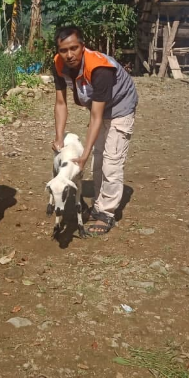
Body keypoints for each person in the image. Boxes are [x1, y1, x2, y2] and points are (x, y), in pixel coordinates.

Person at [51, 26, 139, 235]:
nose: (69, 55)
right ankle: (99, 205)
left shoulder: (99, 69)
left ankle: (106, 213)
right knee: (98, 160)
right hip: (98, 105)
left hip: (120, 106)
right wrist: (58, 138)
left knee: (112, 160)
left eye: (74, 48)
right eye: (64, 50)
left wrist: (83, 154)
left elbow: (96, 117)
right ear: (58, 50)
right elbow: (60, 103)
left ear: (83, 46)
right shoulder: (58, 65)